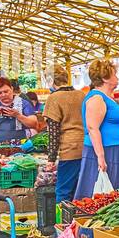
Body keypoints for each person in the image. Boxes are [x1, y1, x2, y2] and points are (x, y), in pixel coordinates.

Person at [75, 58, 119, 198]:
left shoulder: (107, 98)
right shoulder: (97, 98)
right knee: (104, 196)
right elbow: (92, 128)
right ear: (105, 78)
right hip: (108, 153)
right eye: (114, 74)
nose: (117, 77)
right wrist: (101, 157)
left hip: (118, 152)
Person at [42, 66, 86, 205]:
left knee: (63, 191)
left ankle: (63, 224)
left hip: (69, 150)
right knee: (82, 191)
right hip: (87, 147)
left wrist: (51, 158)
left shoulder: (54, 98)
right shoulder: (81, 95)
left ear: (50, 80)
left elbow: (53, 132)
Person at [0, 76, 40, 145]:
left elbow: (34, 124)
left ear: (12, 89)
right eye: (0, 93)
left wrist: (18, 115)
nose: (3, 95)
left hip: (20, 146)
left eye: (6, 91)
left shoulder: (23, 103)